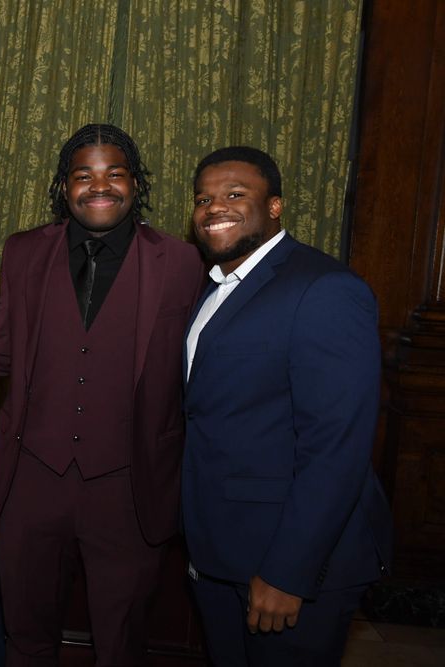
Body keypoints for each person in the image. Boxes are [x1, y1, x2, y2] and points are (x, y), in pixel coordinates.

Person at [0, 123, 205, 665]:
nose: (99, 186)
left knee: (121, 642)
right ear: (65, 187)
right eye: (83, 175)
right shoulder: (22, 252)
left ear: (136, 184)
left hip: (130, 488)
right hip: (32, 480)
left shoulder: (181, 261)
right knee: (25, 633)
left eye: (114, 174)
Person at [182, 146, 392, 665]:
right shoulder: (215, 289)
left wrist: (288, 572)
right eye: (204, 198)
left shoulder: (324, 289)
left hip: (288, 563)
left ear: (275, 206)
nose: (215, 207)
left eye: (235, 194)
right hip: (221, 551)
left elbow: (336, 447)